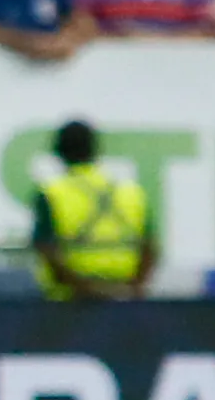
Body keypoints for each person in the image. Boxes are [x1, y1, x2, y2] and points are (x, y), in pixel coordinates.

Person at [30, 120, 154, 301]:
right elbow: (150, 248)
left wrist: (86, 289)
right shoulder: (130, 192)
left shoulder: (51, 194)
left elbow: (46, 251)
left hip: (70, 304)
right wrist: (132, 288)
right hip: (123, 299)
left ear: (58, 153)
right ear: (96, 150)